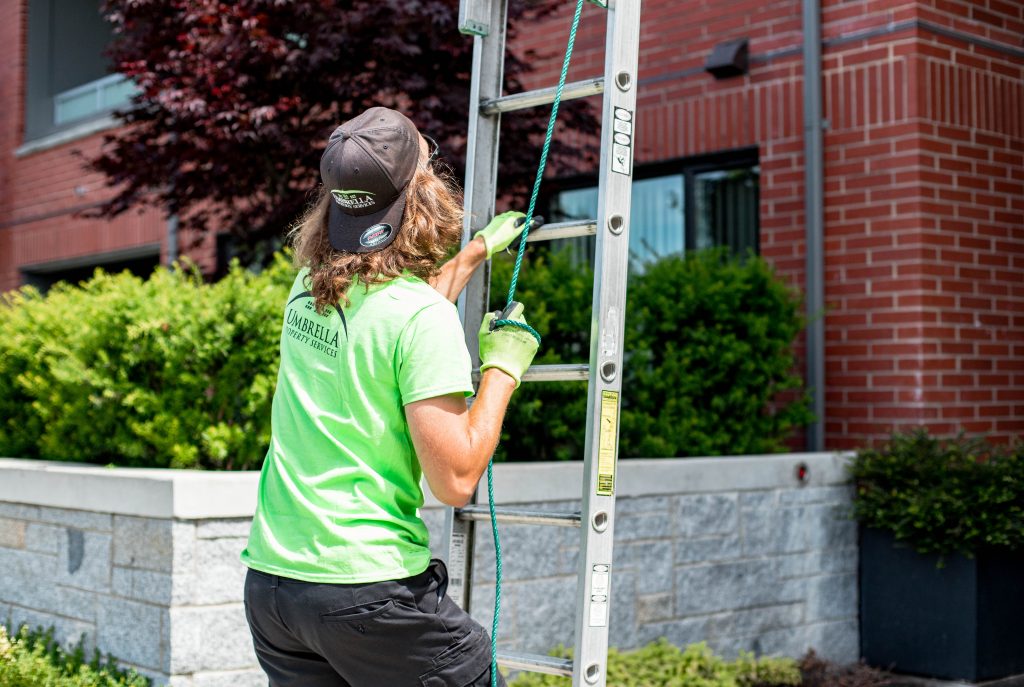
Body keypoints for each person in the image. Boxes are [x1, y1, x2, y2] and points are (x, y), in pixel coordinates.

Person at [240, 106, 539, 687]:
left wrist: (474, 254)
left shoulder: (308, 291)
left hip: (276, 591)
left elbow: (392, 312)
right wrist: (503, 368)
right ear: (421, 199)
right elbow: (455, 481)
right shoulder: (418, 317)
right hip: (366, 593)